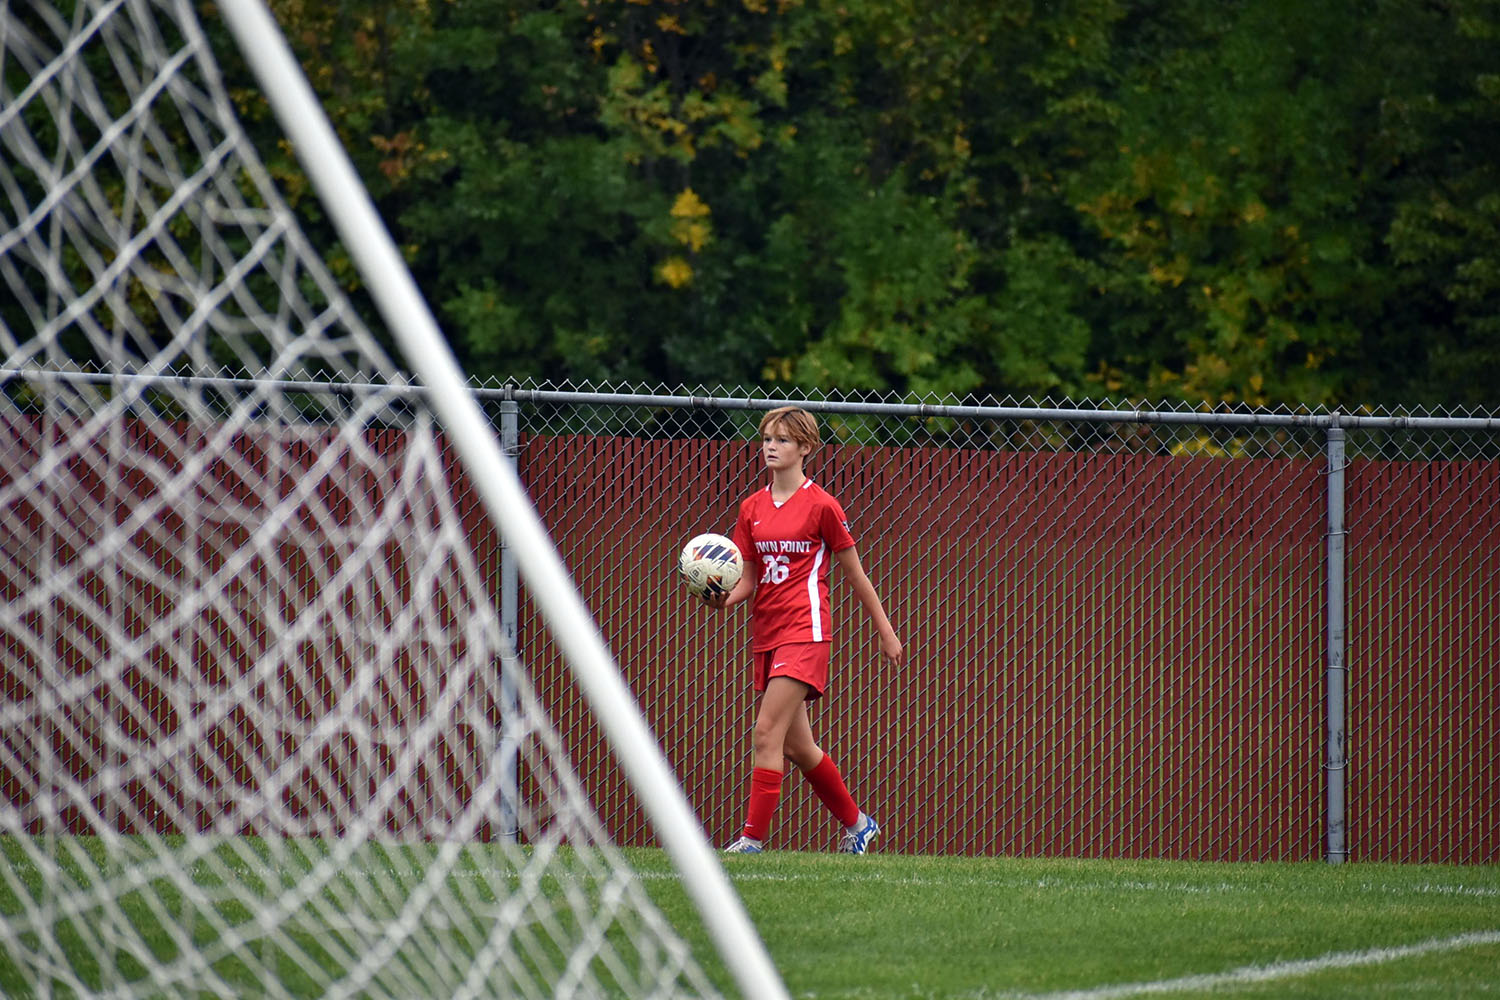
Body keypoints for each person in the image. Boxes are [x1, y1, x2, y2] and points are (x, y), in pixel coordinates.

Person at [705, 405, 904, 854]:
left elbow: (855, 574)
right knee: (798, 747)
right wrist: (722, 599)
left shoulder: (822, 506)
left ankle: (751, 842)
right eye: (767, 438)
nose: (771, 446)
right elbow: (749, 581)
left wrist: (885, 630)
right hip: (767, 633)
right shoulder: (751, 507)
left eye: (782, 440)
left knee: (765, 732)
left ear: (806, 448)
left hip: (806, 630)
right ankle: (859, 825)